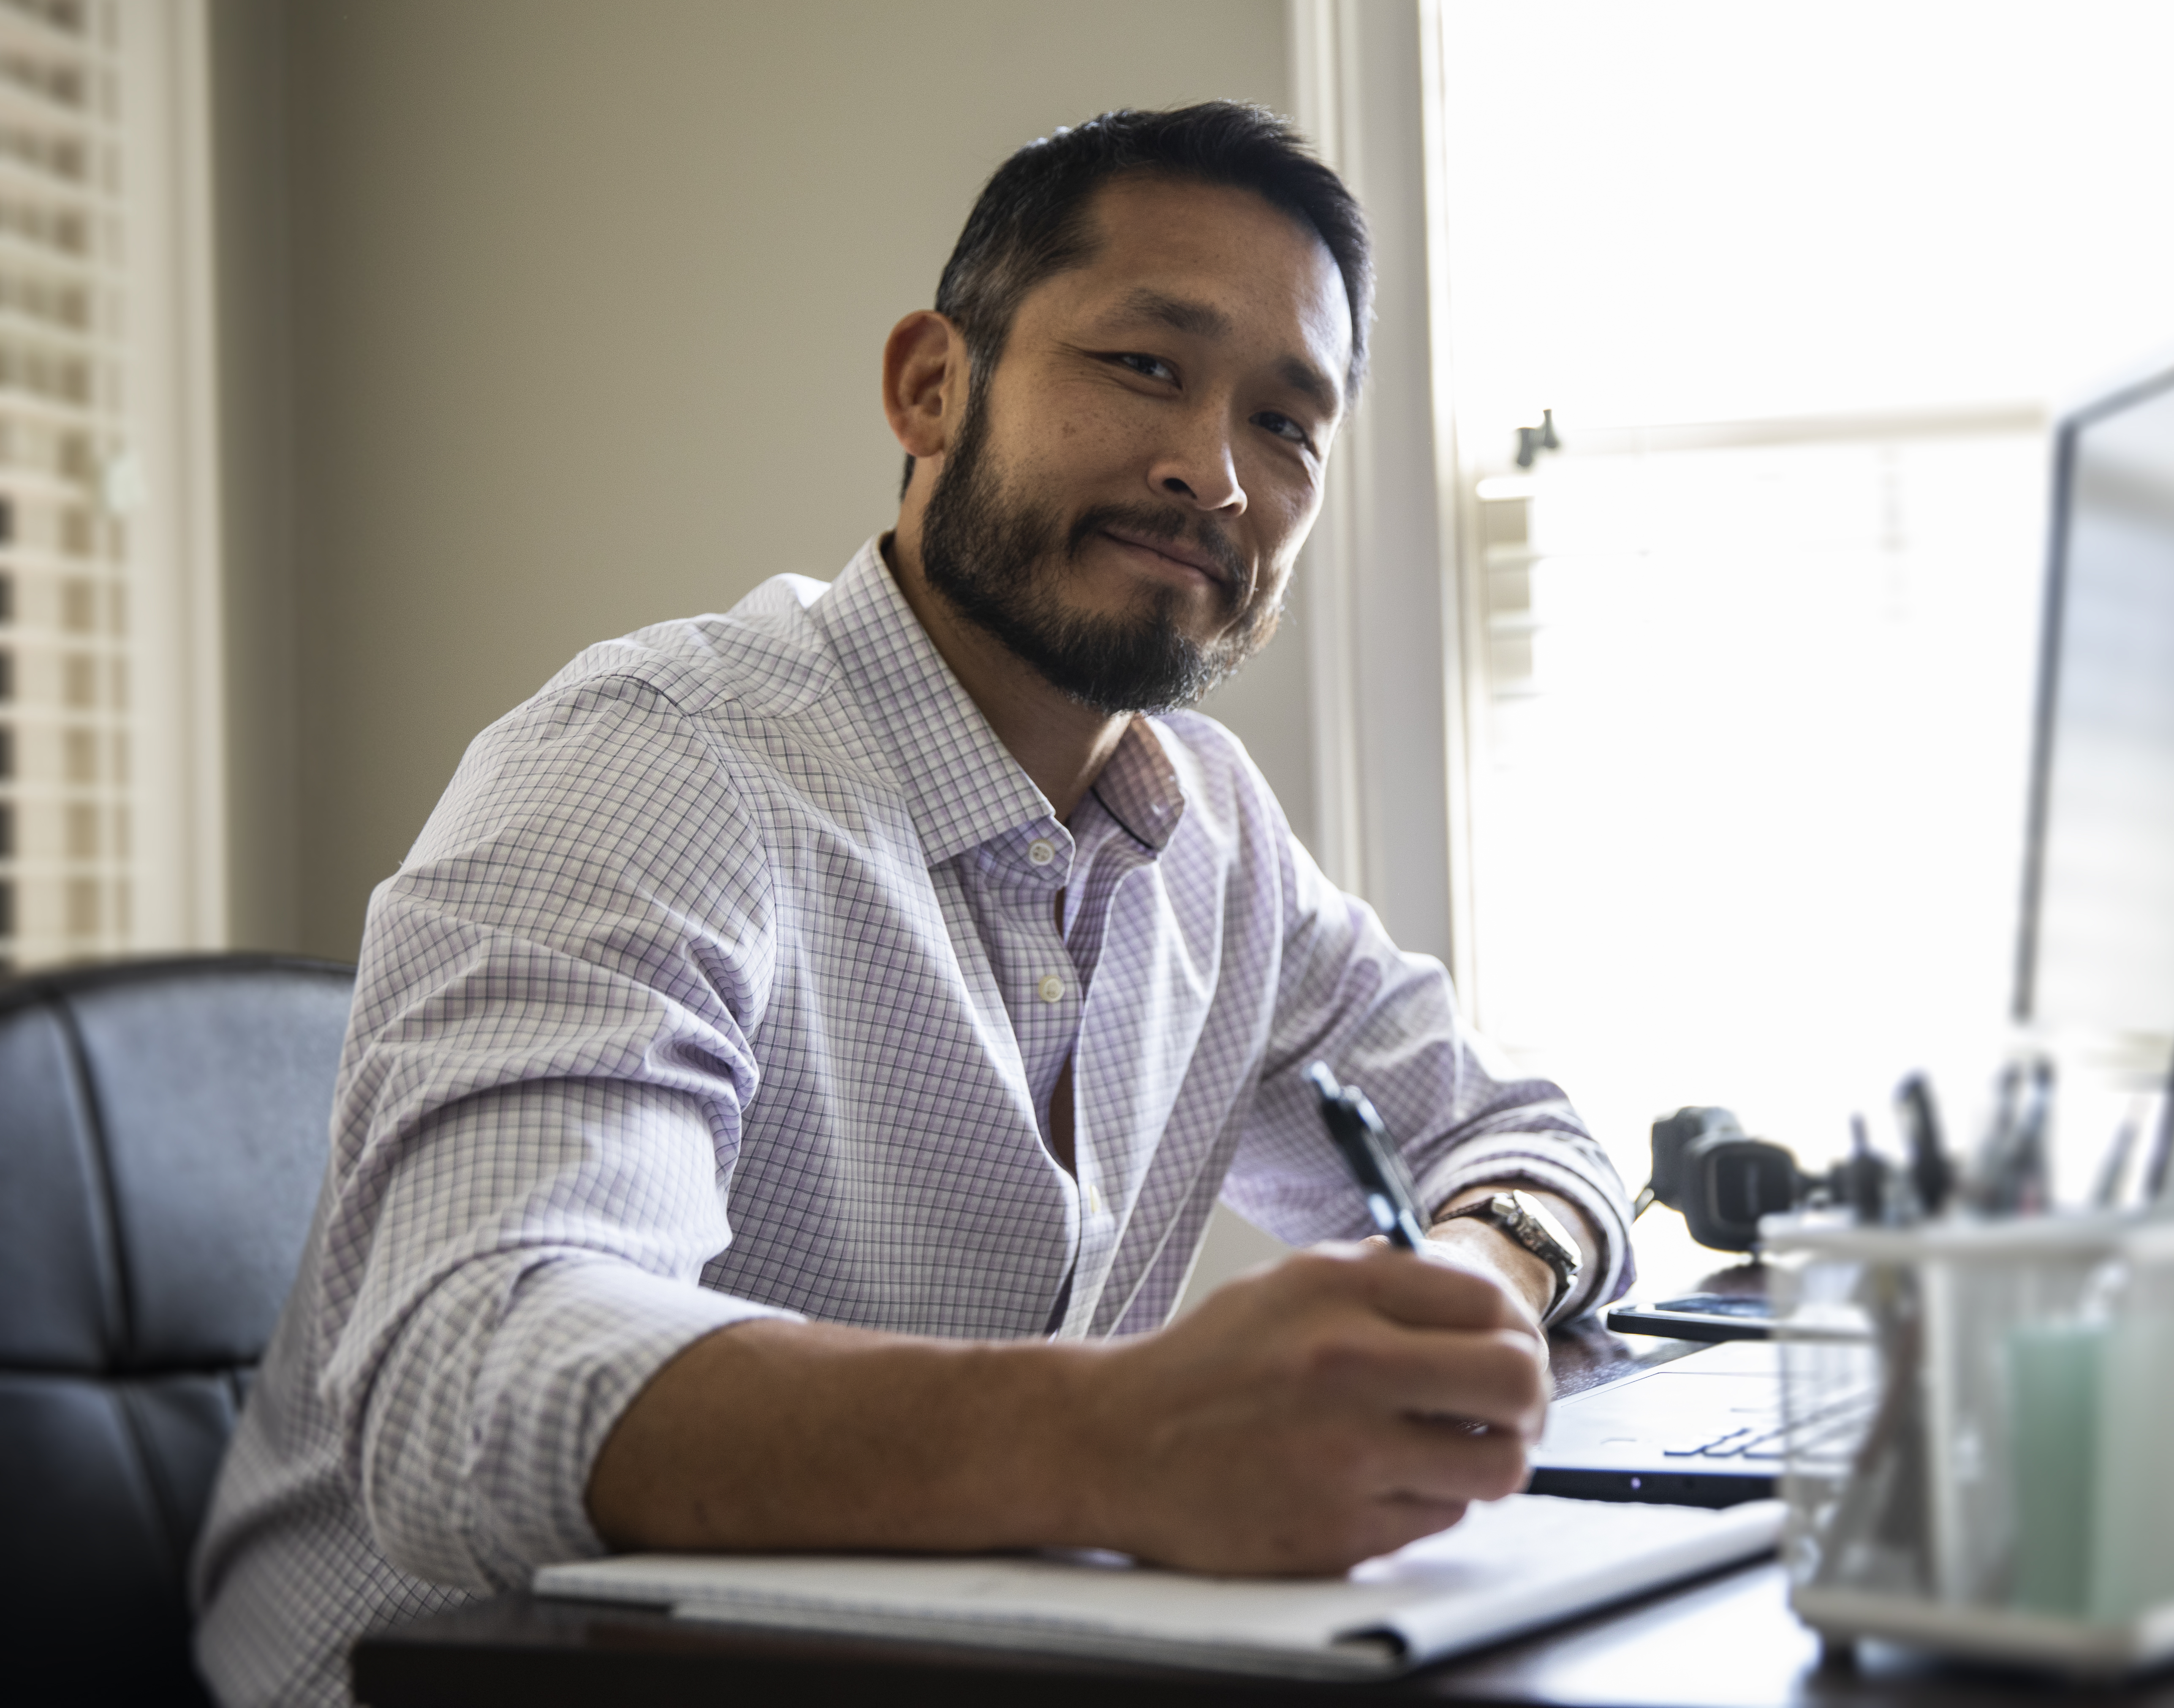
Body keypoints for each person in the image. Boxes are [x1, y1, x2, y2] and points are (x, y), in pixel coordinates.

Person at [191, 103, 1635, 1707]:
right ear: (931, 387)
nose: (1212, 474)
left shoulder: (1210, 828)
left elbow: (1529, 1140)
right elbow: (475, 1388)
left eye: (1288, 424)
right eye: (1147, 367)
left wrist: (1466, 1293)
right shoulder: (653, 767)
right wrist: (1129, 1434)